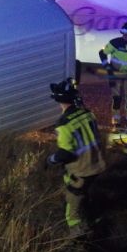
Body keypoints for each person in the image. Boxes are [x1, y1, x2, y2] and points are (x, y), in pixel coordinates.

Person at [46, 79, 106, 238]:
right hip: (97, 164)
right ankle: (94, 218)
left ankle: (77, 234)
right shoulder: (88, 113)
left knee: (72, 202)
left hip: (80, 170)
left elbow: (66, 153)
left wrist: (51, 160)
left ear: (59, 101)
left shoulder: (63, 124)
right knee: (85, 194)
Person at [98, 21, 127, 133]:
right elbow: (102, 53)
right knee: (117, 99)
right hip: (115, 74)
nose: (125, 35)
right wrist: (107, 67)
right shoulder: (114, 43)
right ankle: (117, 123)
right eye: (124, 33)